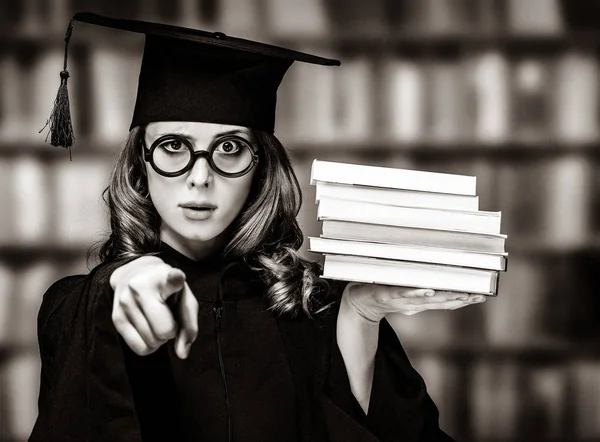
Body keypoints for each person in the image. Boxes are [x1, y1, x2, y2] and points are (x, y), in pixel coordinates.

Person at [31, 12, 486, 442]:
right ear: (139, 167)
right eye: (173, 146)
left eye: (229, 147)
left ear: (260, 169)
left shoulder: (310, 303)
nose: (200, 176)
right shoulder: (75, 306)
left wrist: (362, 314)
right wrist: (118, 283)